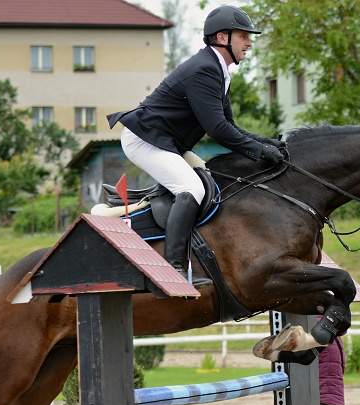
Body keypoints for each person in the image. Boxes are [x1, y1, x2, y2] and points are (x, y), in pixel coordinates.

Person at [106, 5, 284, 287]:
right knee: (191, 188)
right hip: (145, 139)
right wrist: (259, 151)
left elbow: (230, 125)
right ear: (223, 38)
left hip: (164, 141)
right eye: (244, 36)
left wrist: (268, 142)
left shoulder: (218, 71)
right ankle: (171, 271)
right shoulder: (204, 70)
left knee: (209, 182)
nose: (249, 42)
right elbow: (218, 130)